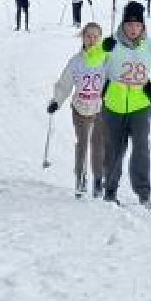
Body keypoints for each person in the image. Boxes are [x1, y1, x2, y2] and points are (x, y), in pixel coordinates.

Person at [94, 1, 151, 207]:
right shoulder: (112, 44)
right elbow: (92, 61)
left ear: (143, 26)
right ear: (123, 25)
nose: (133, 29)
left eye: (137, 25)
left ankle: (144, 194)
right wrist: (102, 48)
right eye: (129, 24)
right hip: (113, 107)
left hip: (140, 106)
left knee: (141, 150)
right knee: (114, 151)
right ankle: (110, 192)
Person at [48, 23, 110, 198]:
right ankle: (80, 177)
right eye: (88, 36)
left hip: (99, 108)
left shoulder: (106, 59)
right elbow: (65, 83)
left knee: (98, 145)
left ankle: (98, 179)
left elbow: (114, 78)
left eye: (95, 36)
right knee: (82, 143)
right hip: (80, 108)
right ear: (83, 38)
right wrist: (56, 101)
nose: (92, 40)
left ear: (100, 38)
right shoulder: (76, 61)